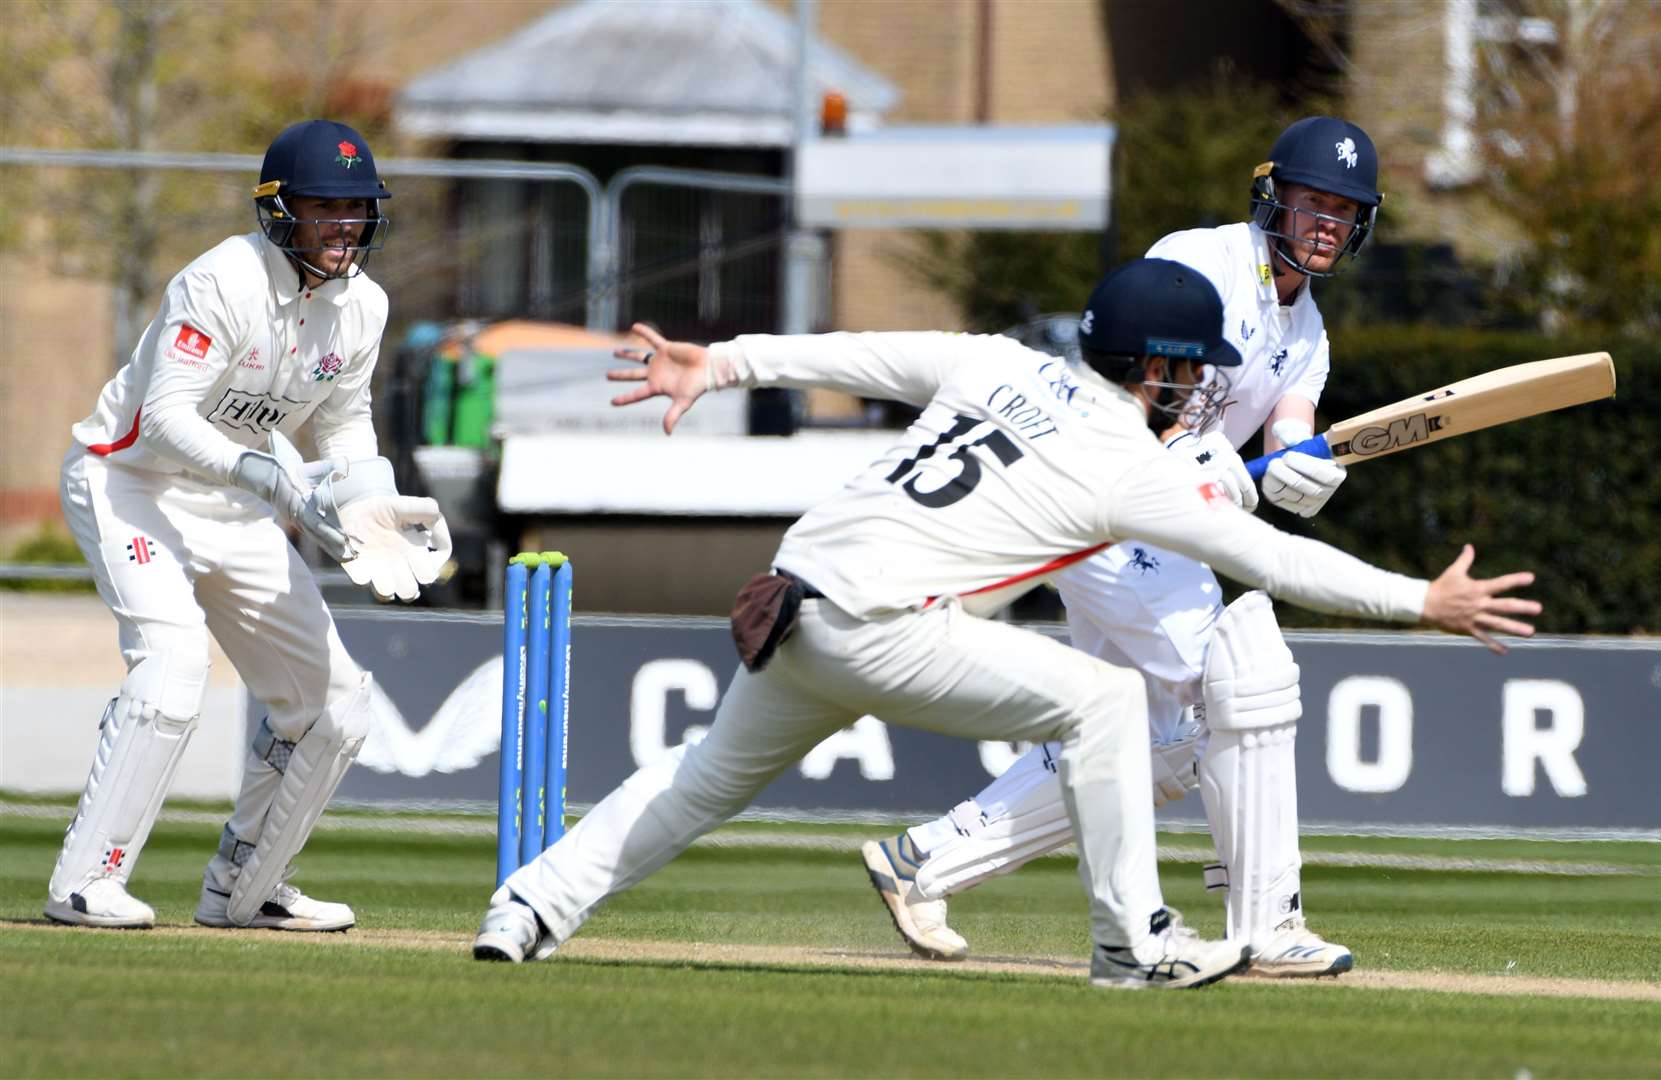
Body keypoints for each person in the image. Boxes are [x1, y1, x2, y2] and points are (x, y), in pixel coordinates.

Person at [471, 257, 1538, 989]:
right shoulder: (1129, 464)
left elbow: (856, 354)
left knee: (698, 780)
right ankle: (1136, 946)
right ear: (1153, 366)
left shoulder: (998, 361)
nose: (1201, 384)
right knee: (1112, 699)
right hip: (889, 618)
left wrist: (725, 362)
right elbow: (1274, 559)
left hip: (797, 592)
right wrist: (1421, 602)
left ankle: (525, 909)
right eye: (1191, 367)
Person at [861, 116, 1403, 976]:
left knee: (1146, 737)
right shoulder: (1200, 261)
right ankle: (1267, 922)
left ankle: (926, 861)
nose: (1326, 222)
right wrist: (1201, 454)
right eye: (1312, 202)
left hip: (1140, 523)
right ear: (1275, 199)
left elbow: (1288, 432)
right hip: (1097, 495)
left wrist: (1303, 469)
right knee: (1236, 684)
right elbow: (1130, 384)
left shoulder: (1311, 336)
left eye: (1344, 209)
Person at [46, 120, 451, 932]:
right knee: (172, 668)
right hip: (131, 481)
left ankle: (247, 886)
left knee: (337, 707)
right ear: (279, 210)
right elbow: (162, 419)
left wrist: (370, 498)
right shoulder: (222, 280)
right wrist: (267, 475)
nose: (345, 224)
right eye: (326, 205)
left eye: (358, 207)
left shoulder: (363, 307)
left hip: (233, 503)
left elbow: (341, 428)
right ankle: (86, 882)